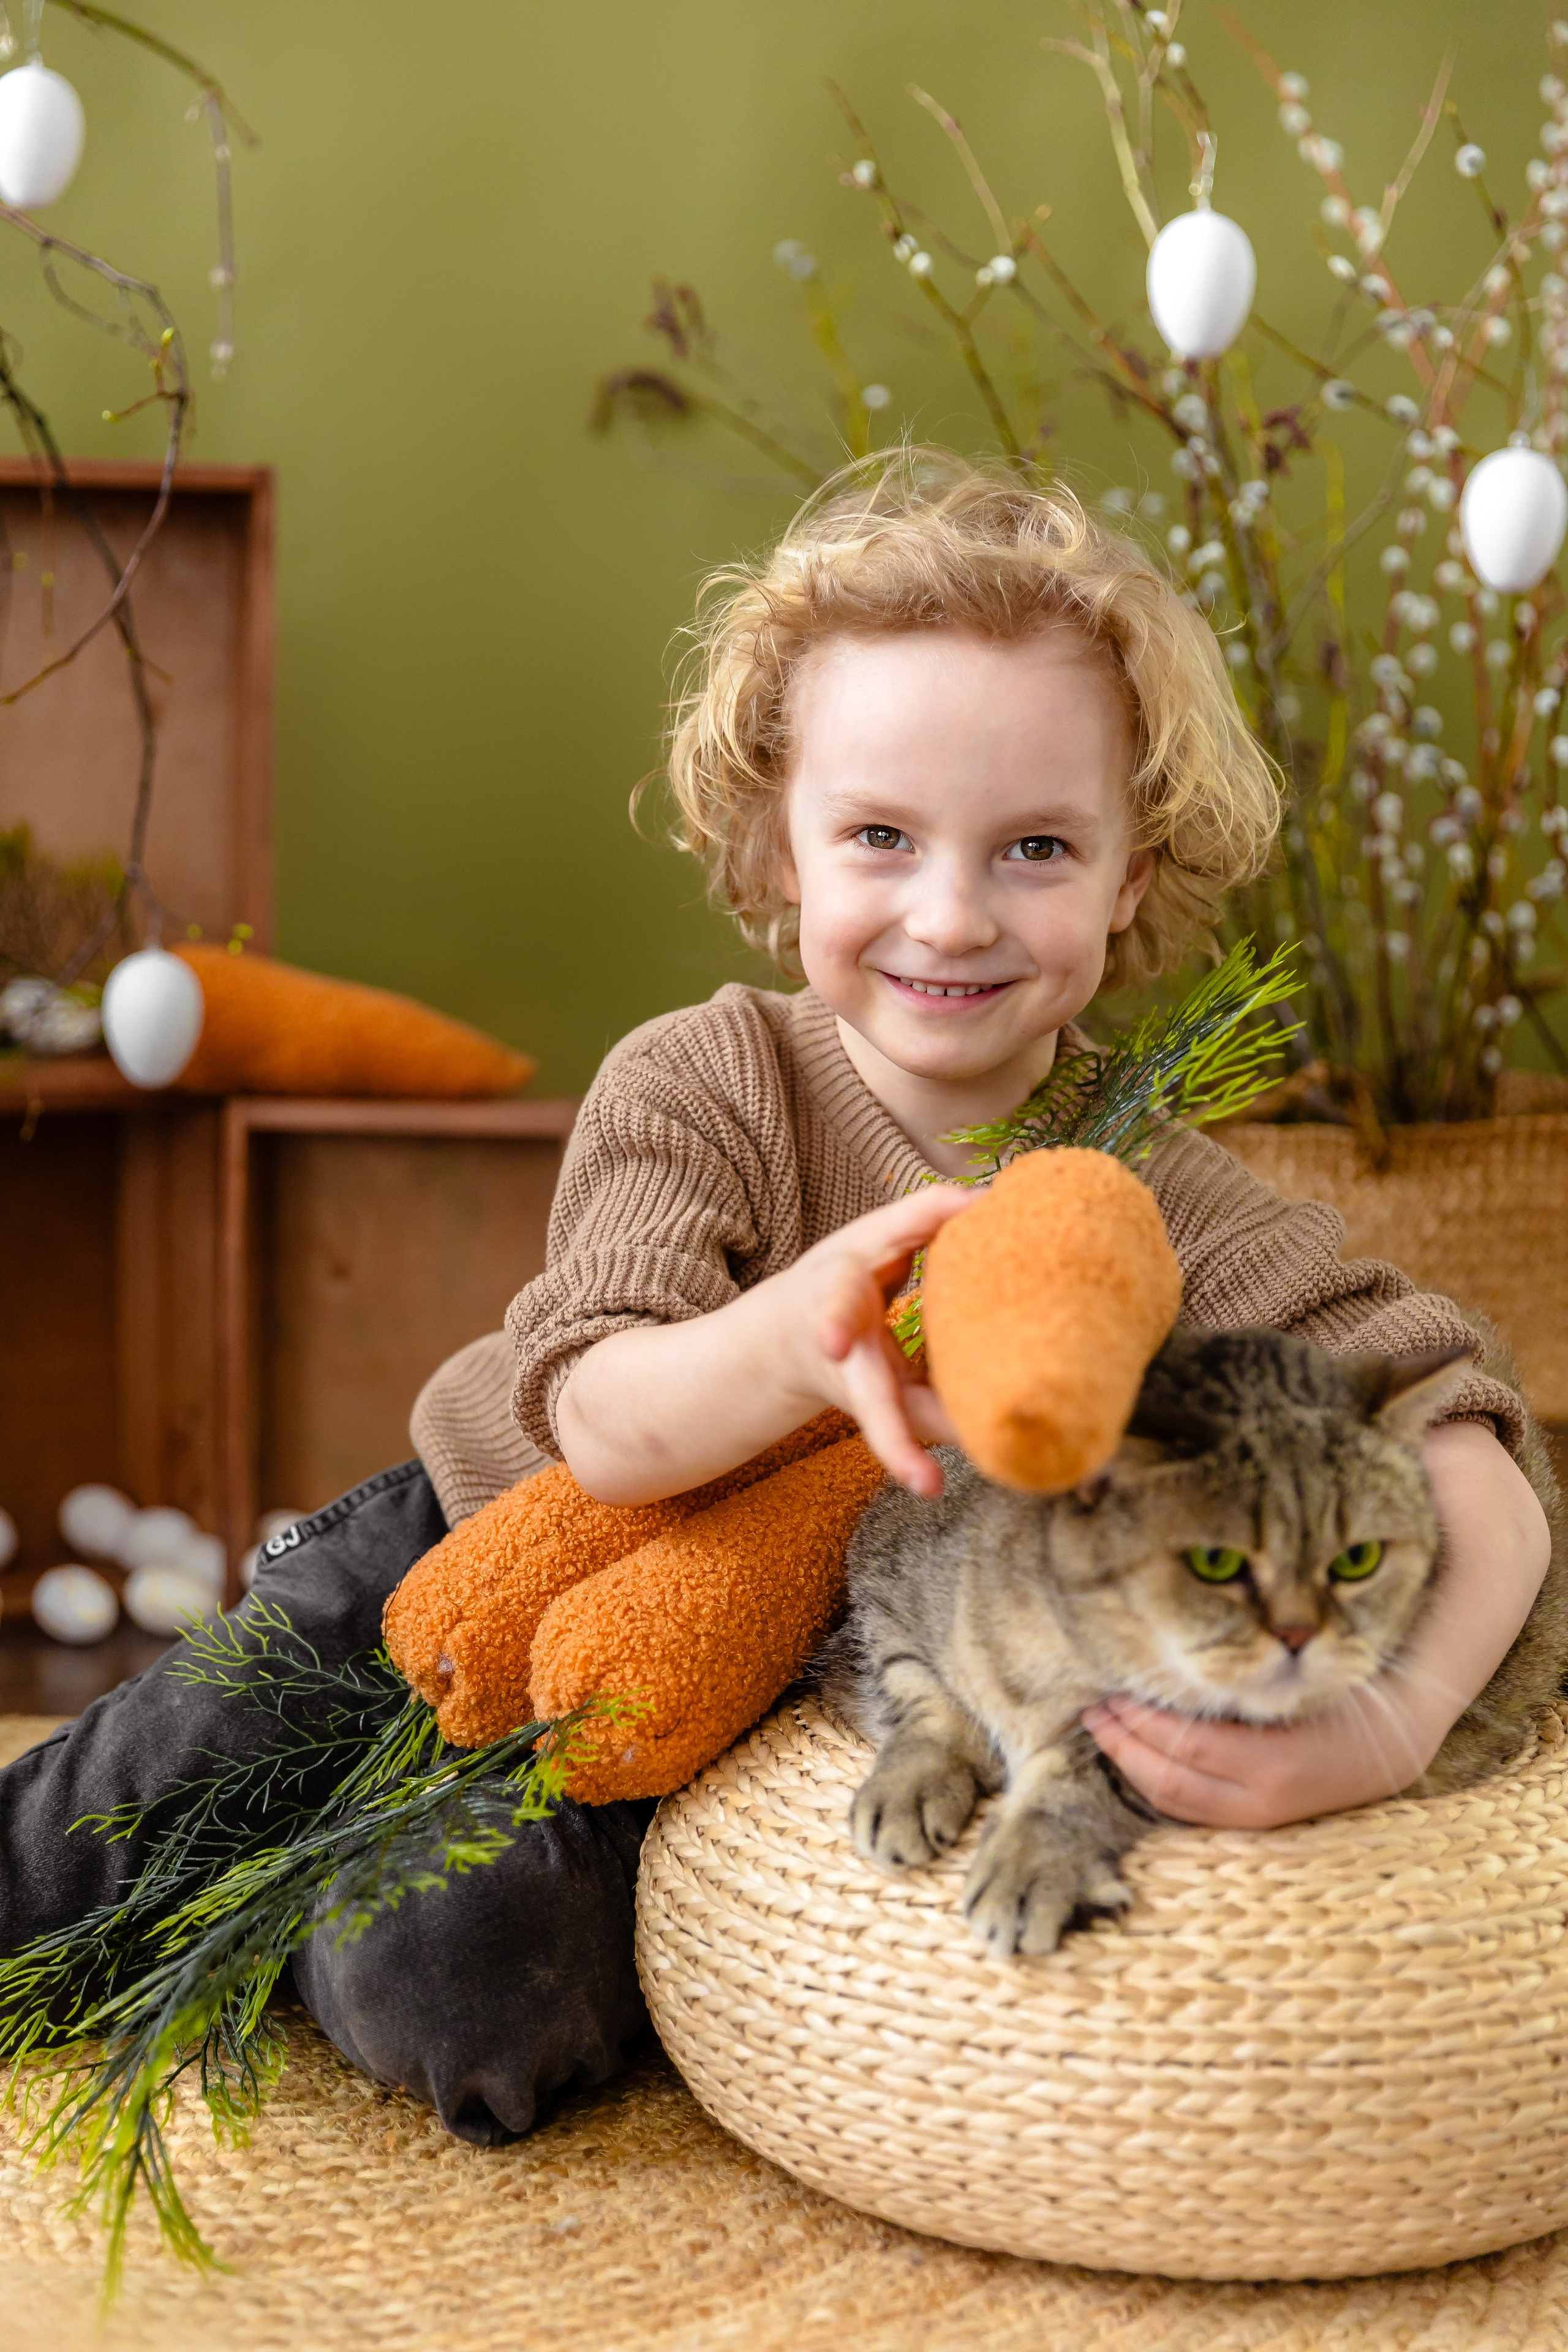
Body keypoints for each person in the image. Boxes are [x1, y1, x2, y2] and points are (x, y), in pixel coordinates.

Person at [1, 451, 1550, 2149]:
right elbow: (595, 1410)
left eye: (1035, 847)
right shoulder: (708, 1079)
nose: (951, 914)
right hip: (469, 1546)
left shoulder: (1154, 1192)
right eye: (880, 837)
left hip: (702, 1703)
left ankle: (319, 1904)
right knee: (152, 1775)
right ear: (776, 846)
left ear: (1132, 874)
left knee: (465, 1987)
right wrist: (796, 1334)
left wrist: (1376, 1744)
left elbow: (1458, 1426)